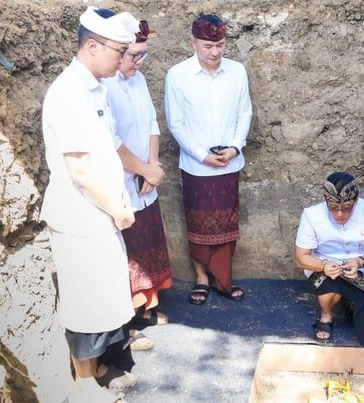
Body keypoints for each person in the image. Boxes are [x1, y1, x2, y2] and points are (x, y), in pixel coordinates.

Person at [40, 6, 140, 402]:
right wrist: (117, 209)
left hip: (100, 214)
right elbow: (79, 170)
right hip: (81, 216)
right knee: (86, 302)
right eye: (119, 51)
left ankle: (98, 368)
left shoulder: (94, 87)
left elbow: (109, 147)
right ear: (93, 46)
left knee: (104, 297)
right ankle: (83, 384)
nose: (123, 59)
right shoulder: (69, 92)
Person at [164, 14, 252, 305]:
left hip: (229, 162)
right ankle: (202, 277)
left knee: (227, 223)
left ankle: (223, 277)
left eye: (220, 45)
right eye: (207, 46)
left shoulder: (237, 71)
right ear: (193, 43)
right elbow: (176, 124)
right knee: (199, 223)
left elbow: (245, 113)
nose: (215, 52)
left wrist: (236, 148)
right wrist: (201, 155)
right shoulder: (177, 75)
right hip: (196, 165)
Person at [102, 18, 172, 351]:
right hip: (122, 179)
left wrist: (153, 166)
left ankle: (150, 304)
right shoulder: (104, 85)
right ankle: (128, 320)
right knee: (127, 249)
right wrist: (142, 169)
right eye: (132, 56)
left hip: (146, 175)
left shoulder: (139, 79)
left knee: (149, 240)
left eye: (143, 56)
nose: (137, 63)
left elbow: (151, 123)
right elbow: (113, 140)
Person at [294, 172, 364, 354]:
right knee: (330, 288)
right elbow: (301, 257)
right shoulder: (312, 215)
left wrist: (361, 261)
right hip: (326, 268)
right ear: (326, 201)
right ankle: (326, 316)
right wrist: (323, 265)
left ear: (356, 200)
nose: (340, 214)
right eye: (333, 208)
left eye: (346, 207)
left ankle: (352, 303)